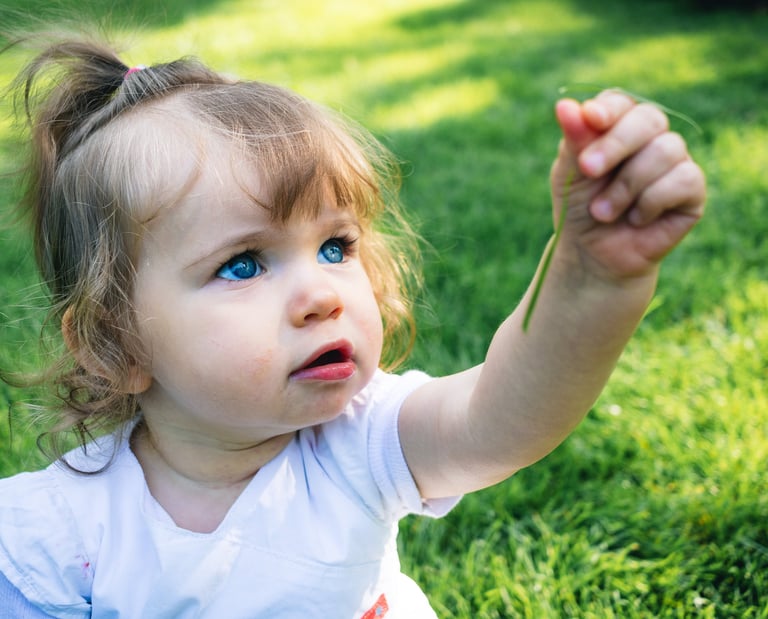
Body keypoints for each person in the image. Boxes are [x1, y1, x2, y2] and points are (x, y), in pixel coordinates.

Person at [0, 31, 705, 619]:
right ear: (114, 343)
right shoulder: (59, 535)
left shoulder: (358, 440)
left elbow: (502, 417)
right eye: (244, 264)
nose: (322, 293)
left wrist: (590, 277)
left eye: (336, 246)